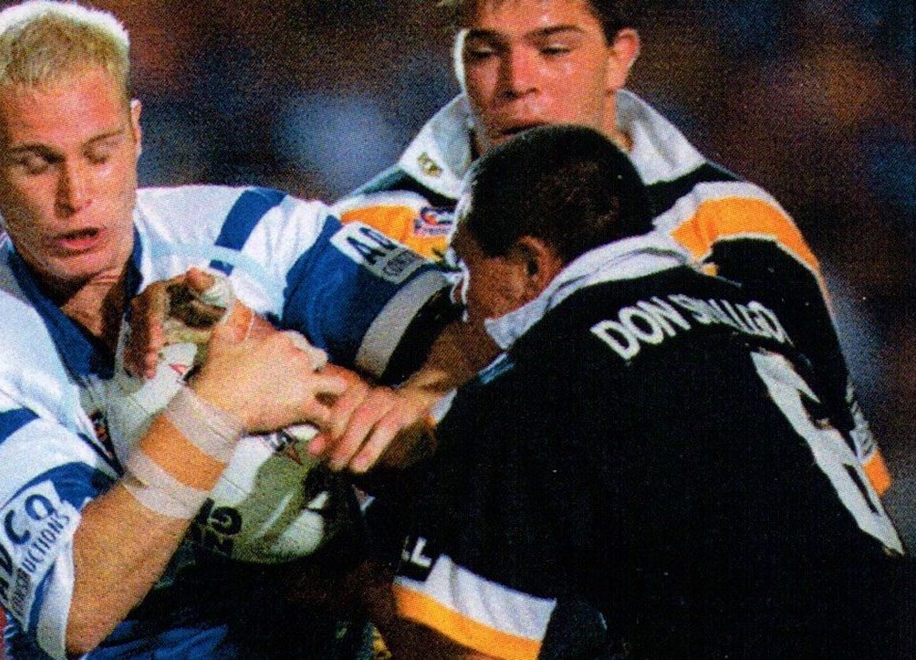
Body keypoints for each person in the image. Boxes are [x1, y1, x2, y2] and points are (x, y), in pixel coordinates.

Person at [0, 2, 461, 657]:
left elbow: (489, 345)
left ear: (136, 132)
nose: (75, 195)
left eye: (100, 153)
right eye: (37, 163)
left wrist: (334, 391)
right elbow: (72, 609)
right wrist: (216, 408)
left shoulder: (251, 231)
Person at [359, 124, 916, 659]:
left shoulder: (535, 380)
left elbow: (469, 649)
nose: (459, 294)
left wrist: (355, 572)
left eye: (464, 265)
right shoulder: (751, 312)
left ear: (530, 264)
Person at [332, 0, 889, 495]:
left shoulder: (737, 225)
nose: (517, 81)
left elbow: (844, 476)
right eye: (484, 53)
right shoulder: (365, 229)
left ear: (619, 56)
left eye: (553, 50)